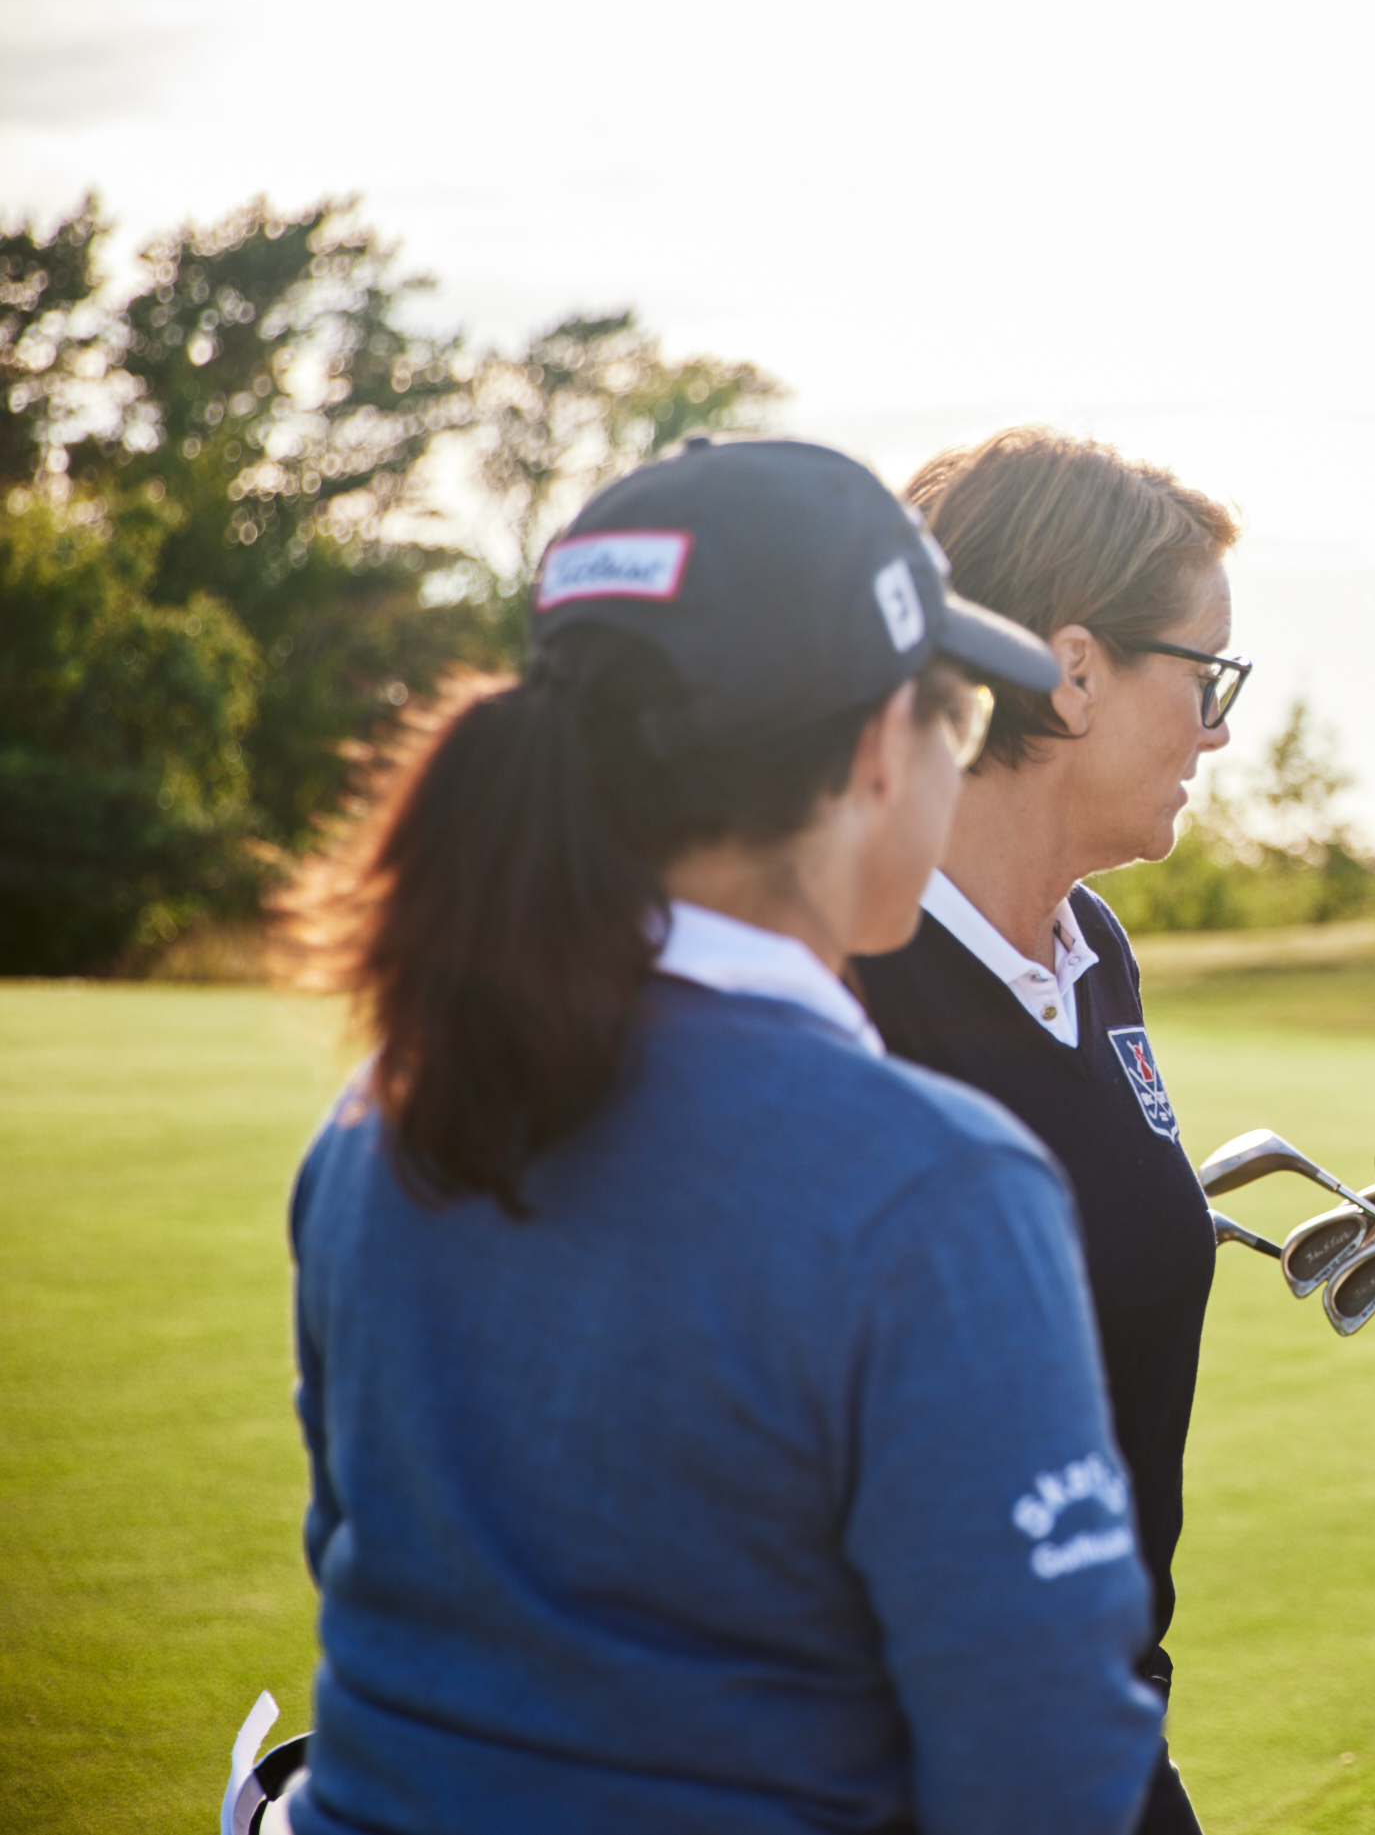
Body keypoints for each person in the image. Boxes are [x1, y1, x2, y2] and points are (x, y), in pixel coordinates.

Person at [283, 440, 1165, 1835]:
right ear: (881, 748)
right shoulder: (937, 1188)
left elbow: (368, 1569)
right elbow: (1047, 1768)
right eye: (951, 710)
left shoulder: (377, 1118)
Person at [851, 425, 1244, 1835]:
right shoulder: (843, 983)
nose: (1217, 730)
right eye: (1205, 676)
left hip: (1094, 1735)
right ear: (1072, 672)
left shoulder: (1096, 957)